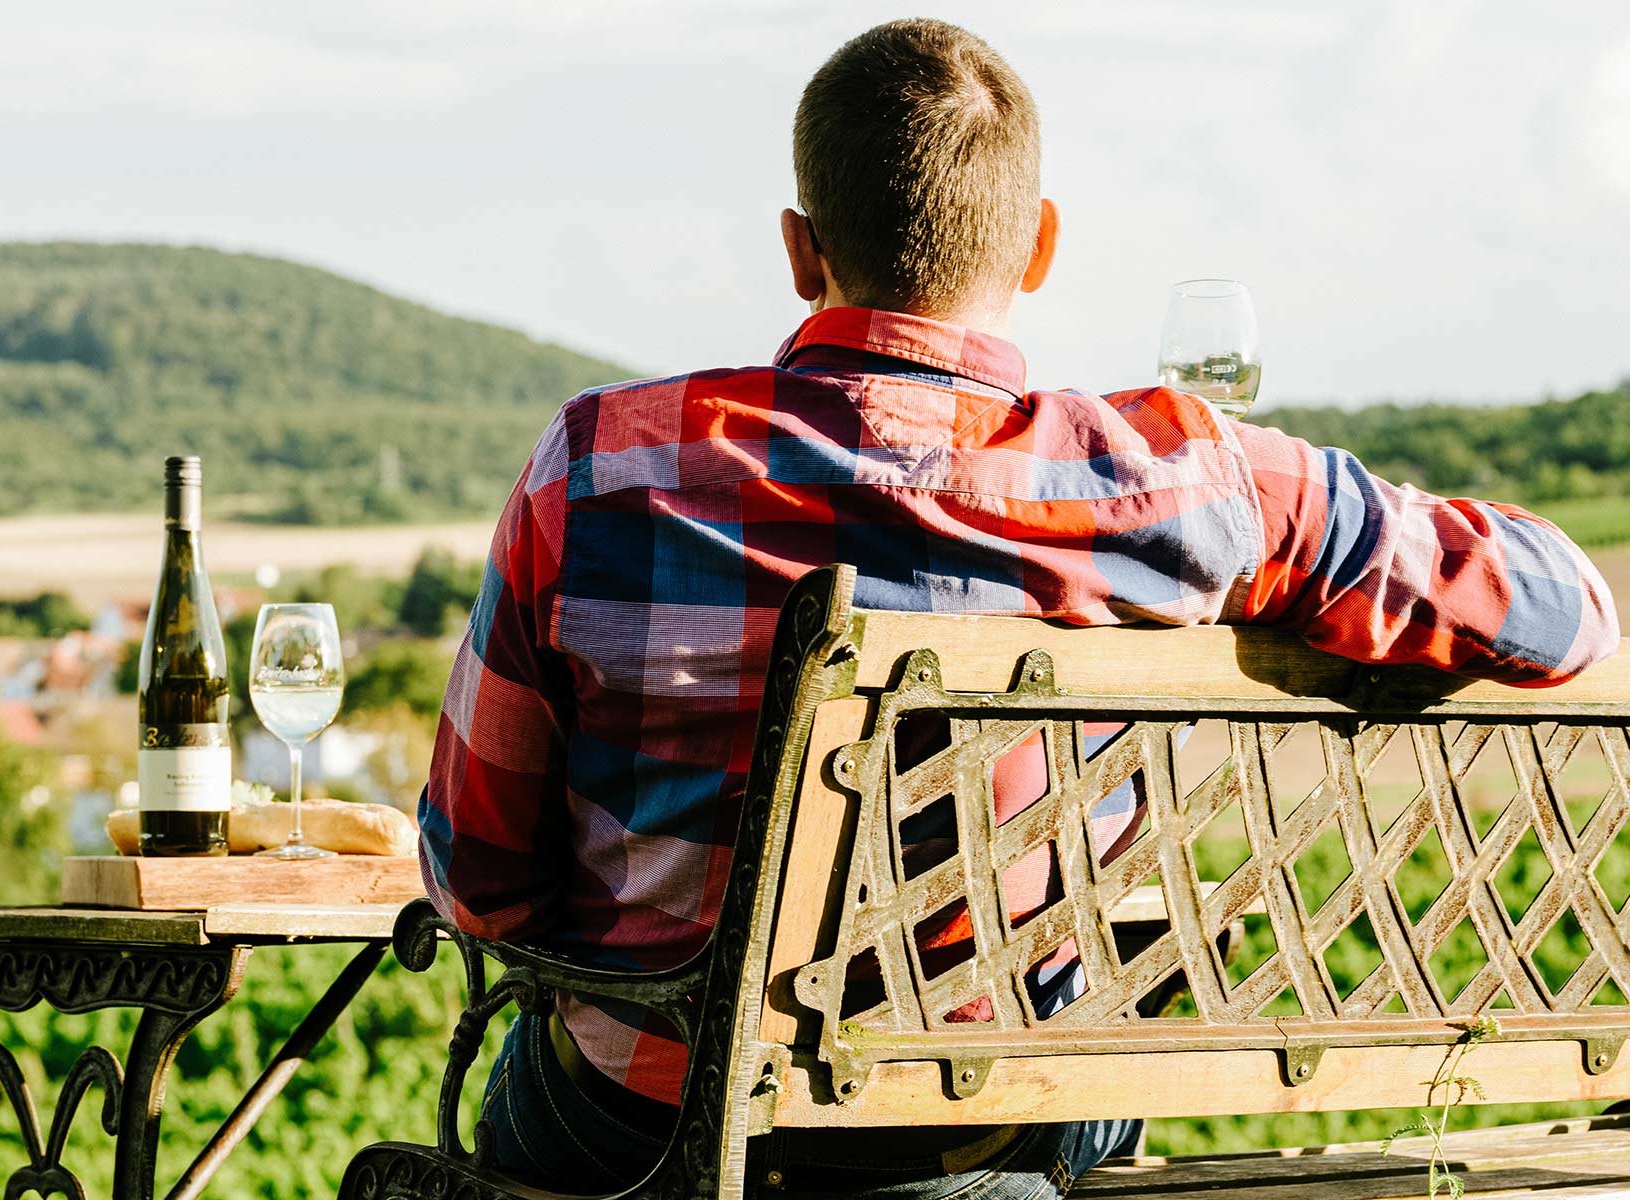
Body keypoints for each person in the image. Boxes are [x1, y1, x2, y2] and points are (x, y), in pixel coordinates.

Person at [418, 17, 1618, 1199]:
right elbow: (1563, 609)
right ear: (1037, 246)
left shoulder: (599, 466)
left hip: (649, 1131)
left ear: (799, 247)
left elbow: (479, 877)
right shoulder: (1187, 481)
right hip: (980, 1130)